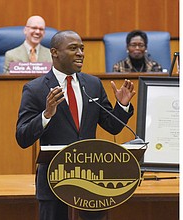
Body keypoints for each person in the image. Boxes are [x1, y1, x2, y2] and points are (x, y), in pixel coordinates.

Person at [16, 30, 136, 220]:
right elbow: (22, 137)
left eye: (82, 48)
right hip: (54, 184)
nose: (80, 53)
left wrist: (122, 105)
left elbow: (113, 127)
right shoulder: (35, 89)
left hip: (92, 183)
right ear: (54, 52)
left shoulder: (93, 84)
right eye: (73, 48)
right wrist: (46, 114)